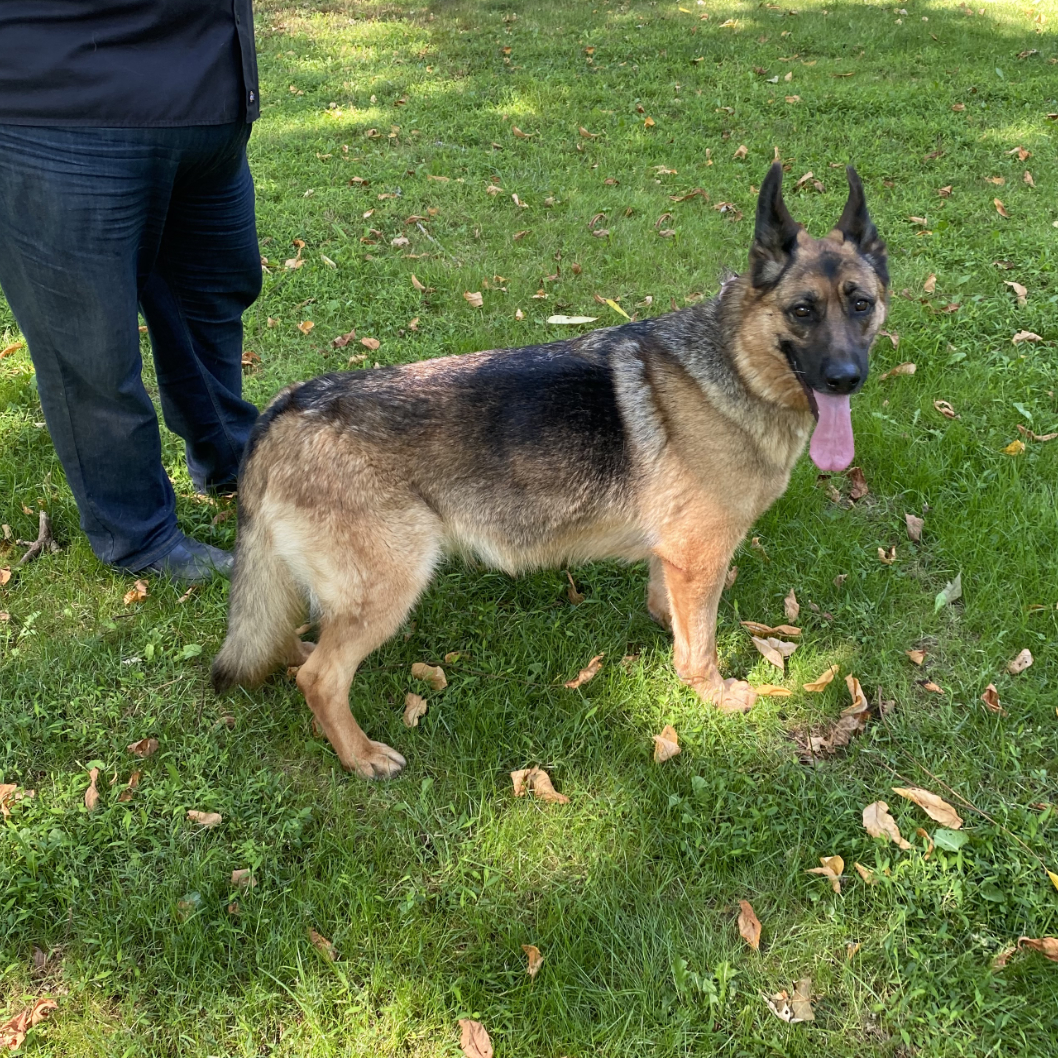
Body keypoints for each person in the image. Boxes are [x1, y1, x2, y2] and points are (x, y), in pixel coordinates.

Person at [0, 1, 262, 583]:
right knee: (91, 355)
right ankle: (139, 535)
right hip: (59, 106)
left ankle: (230, 460)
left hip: (211, 99)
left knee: (213, 302)